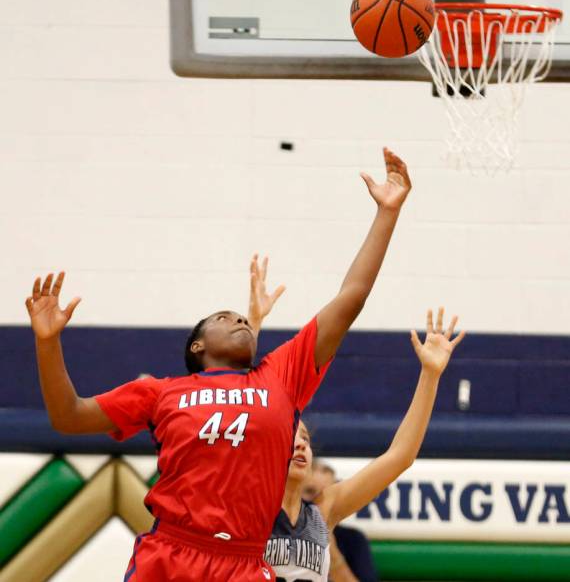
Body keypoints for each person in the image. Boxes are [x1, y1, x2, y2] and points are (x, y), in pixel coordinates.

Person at [25, 148, 411, 582]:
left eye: (243, 318)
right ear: (197, 346)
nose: (241, 320)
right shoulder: (161, 392)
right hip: (171, 553)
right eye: (225, 319)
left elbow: (350, 299)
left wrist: (387, 214)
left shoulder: (279, 377)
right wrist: (47, 343)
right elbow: (67, 415)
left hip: (245, 563)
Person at [265, 308, 465, 582]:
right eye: (291, 438)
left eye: (306, 440)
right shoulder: (249, 509)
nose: (300, 445)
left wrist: (430, 374)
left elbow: (400, 457)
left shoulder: (324, 510)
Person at [305, 461, 377, 582]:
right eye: (310, 492)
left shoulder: (353, 540)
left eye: (329, 494)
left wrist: (331, 552)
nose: (320, 501)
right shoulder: (279, 533)